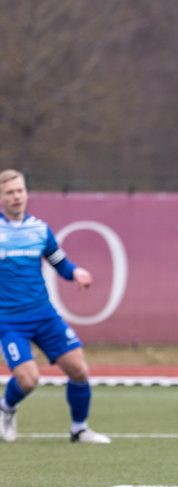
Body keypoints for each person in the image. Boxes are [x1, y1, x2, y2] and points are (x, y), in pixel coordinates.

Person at [0, 169, 110, 444]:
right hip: (9, 320)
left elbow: (59, 261)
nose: (16, 197)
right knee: (28, 380)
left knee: (78, 369)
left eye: (20, 190)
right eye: (10, 192)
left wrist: (75, 273)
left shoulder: (39, 229)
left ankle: (79, 429)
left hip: (44, 315)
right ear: (1, 197)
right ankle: (6, 408)